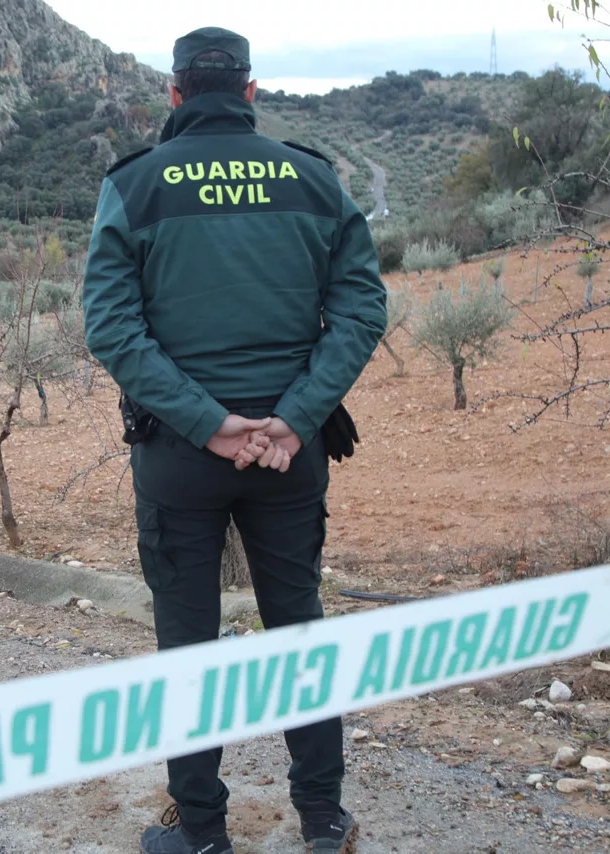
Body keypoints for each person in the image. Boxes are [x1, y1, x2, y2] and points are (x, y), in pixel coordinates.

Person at [82, 26, 387, 854]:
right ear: (250, 92)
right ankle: (323, 820)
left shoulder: (135, 184)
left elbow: (111, 327)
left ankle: (203, 833)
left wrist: (210, 425)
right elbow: (362, 309)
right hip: (291, 454)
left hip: (181, 457)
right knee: (299, 629)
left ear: (174, 94)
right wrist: (292, 418)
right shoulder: (313, 179)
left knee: (187, 641)